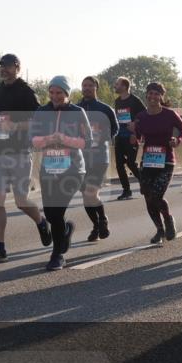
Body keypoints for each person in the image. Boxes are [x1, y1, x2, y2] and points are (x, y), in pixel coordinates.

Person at [0, 54, 51, 264]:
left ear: (17, 67)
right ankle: (0, 247)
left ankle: (42, 222)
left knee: (21, 200)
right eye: (1, 66)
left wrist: (16, 126)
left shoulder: (26, 92)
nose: (3, 69)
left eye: (7, 66)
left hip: (19, 152)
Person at [30, 76, 92, 270]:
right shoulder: (41, 112)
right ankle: (65, 229)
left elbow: (87, 142)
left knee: (57, 210)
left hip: (73, 169)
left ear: (67, 94)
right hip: (49, 168)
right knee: (50, 214)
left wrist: (65, 139)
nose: (55, 96)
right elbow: (33, 140)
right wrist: (49, 139)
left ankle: (57, 255)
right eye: (52, 92)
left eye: (59, 93)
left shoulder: (77, 112)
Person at [132, 82, 182, 244]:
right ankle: (159, 230)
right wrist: (133, 132)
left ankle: (168, 220)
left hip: (166, 161)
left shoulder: (170, 114)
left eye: (157, 94)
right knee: (148, 197)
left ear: (161, 96)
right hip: (148, 161)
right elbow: (138, 137)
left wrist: (177, 140)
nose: (153, 97)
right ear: (146, 95)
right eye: (150, 93)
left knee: (157, 195)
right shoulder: (141, 117)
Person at [77, 76, 118, 241]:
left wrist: (101, 138)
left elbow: (115, 129)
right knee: (86, 197)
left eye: (89, 85)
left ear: (96, 88)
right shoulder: (75, 108)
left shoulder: (105, 109)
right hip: (79, 159)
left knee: (91, 193)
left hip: (99, 157)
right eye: (84, 85)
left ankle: (102, 219)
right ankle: (96, 225)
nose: (86, 88)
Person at [112, 76, 146, 200]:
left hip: (131, 137)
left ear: (124, 86)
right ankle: (126, 190)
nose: (115, 86)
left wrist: (135, 131)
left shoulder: (135, 100)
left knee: (131, 163)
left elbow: (144, 116)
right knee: (119, 165)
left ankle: (144, 182)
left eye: (117, 84)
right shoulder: (117, 101)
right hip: (119, 137)